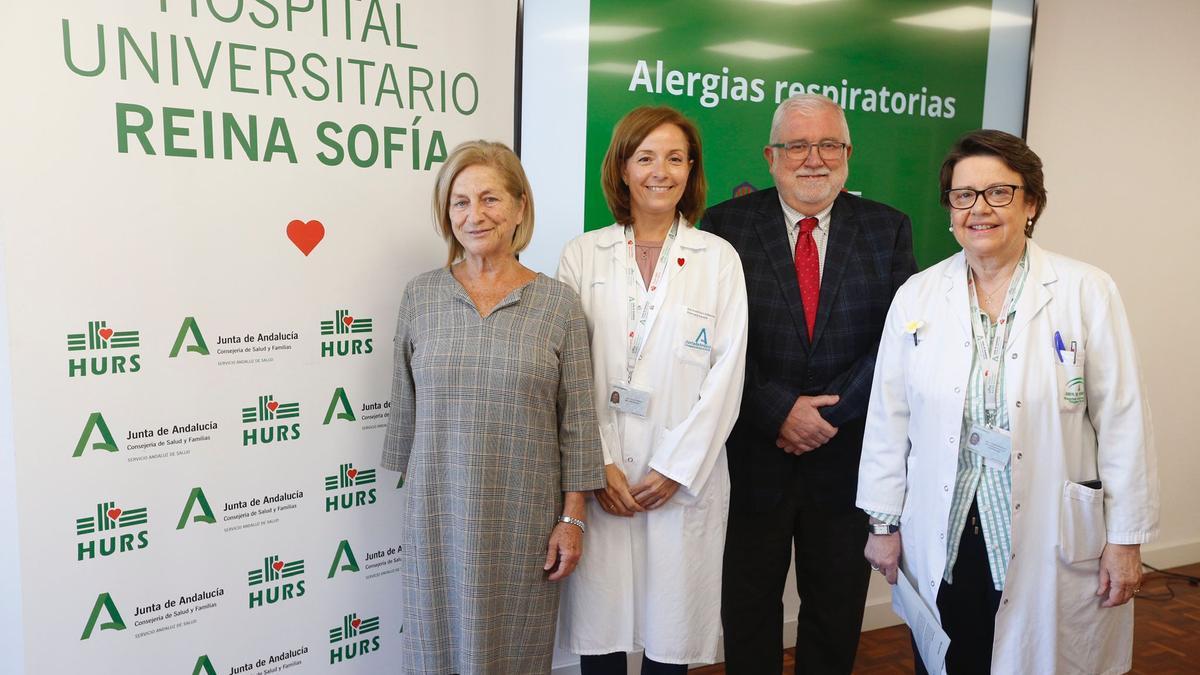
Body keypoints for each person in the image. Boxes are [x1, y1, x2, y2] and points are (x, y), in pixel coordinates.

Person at [858, 129, 1158, 674]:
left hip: (1049, 531)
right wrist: (883, 526)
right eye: (963, 194)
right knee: (953, 654)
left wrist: (1126, 539)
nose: (980, 209)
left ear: (1031, 203)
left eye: (999, 193)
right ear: (949, 207)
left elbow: (1123, 420)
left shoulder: (1085, 291)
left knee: (1039, 658)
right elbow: (888, 419)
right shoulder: (919, 295)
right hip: (946, 526)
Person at [702, 93, 917, 674]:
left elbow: (898, 343)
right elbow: (709, 343)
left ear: (848, 154)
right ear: (771, 156)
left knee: (836, 607)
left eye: (828, 145)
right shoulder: (723, 227)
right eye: (797, 145)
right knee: (747, 607)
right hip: (752, 455)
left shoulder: (887, 228)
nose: (813, 158)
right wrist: (778, 409)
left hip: (845, 456)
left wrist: (829, 414)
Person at [381, 140, 606, 674]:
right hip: (437, 516)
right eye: (460, 202)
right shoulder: (421, 296)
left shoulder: (558, 304)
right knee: (434, 655)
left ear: (520, 207)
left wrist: (572, 518)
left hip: (523, 522)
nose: (474, 215)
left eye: (489, 199)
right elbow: (405, 418)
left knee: (515, 657)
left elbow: (577, 423)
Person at [556, 106, 749, 674]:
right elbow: (569, 372)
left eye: (675, 158)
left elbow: (728, 372)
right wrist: (602, 465)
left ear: (691, 171)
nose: (660, 171)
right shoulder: (582, 254)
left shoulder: (719, 259)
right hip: (605, 477)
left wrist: (675, 467)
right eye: (645, 157)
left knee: (671, 639)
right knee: (602, 638)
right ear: (621, 169)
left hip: (682, 481)